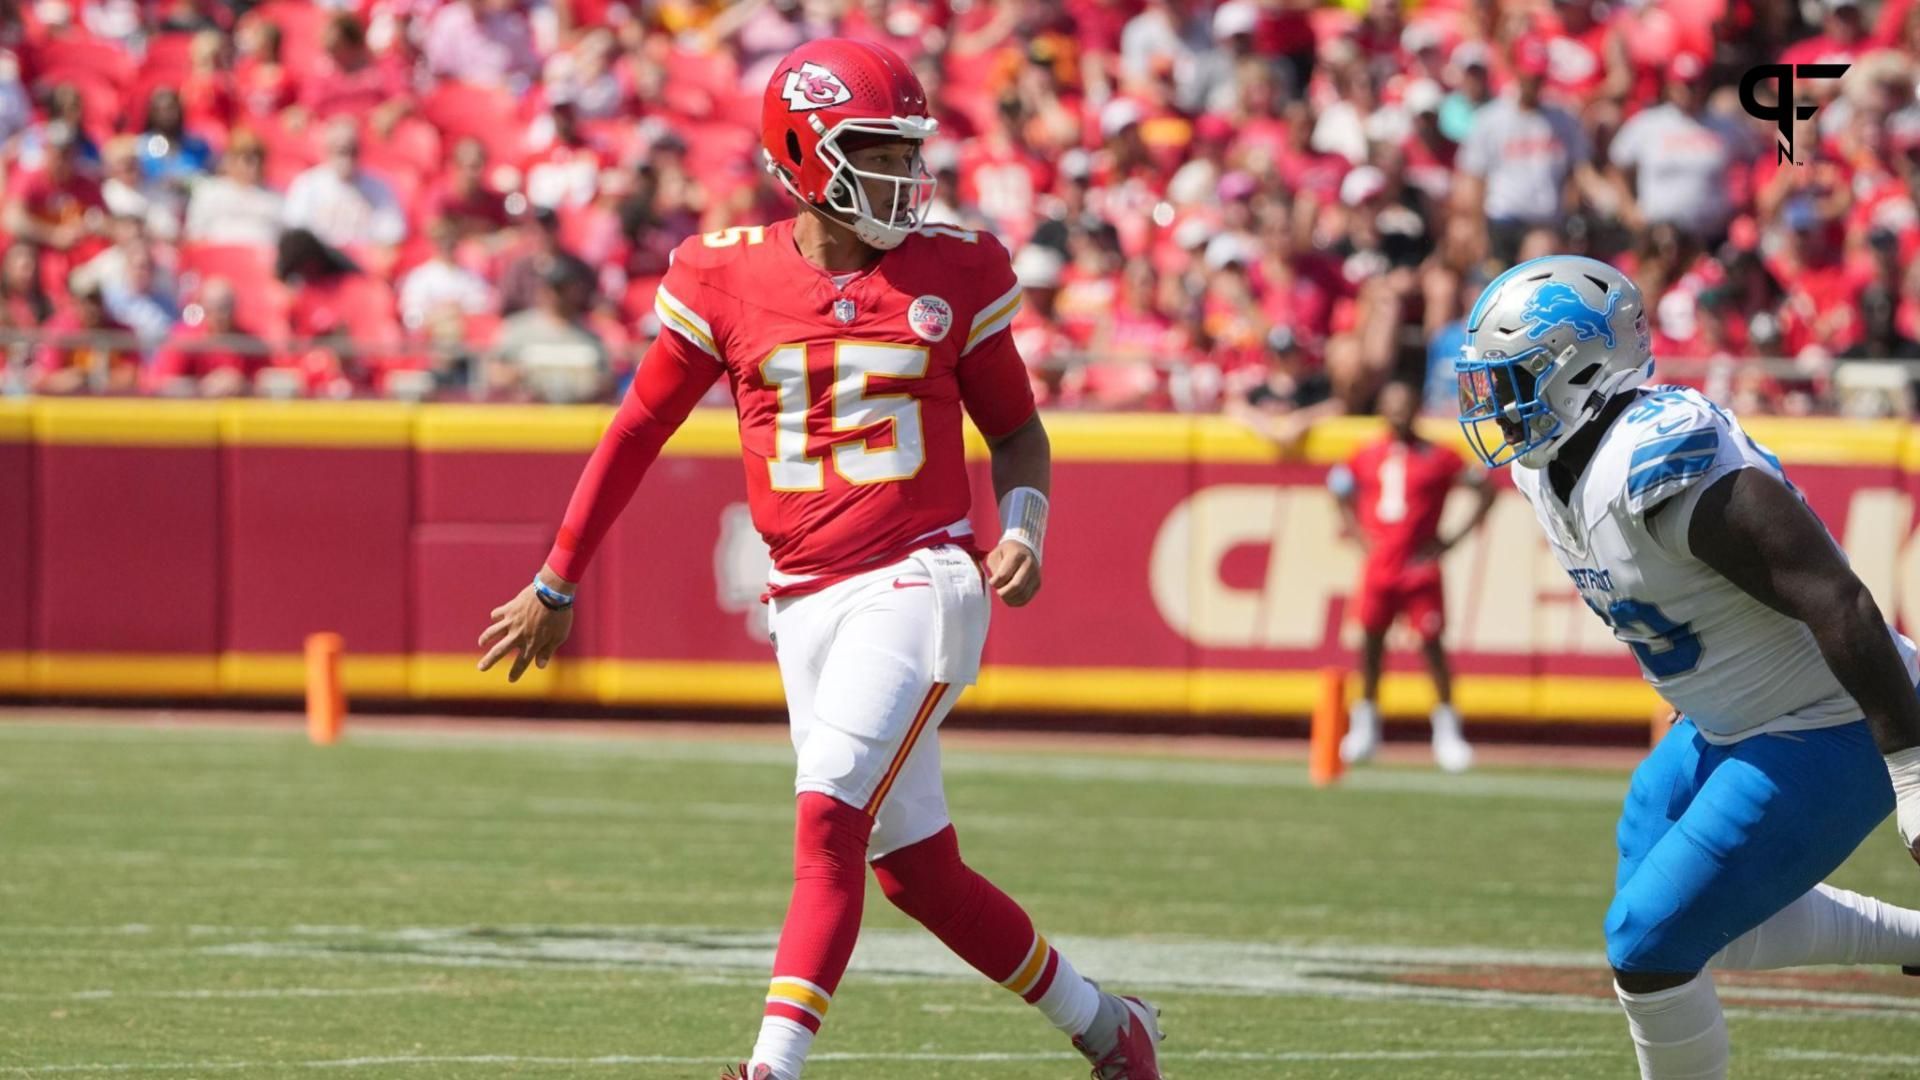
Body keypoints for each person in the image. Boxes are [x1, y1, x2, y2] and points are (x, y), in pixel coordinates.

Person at [475, 38, 1163, 1080]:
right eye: (875, 152)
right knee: (916, 872)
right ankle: (1111, 1027)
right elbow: (634, 432)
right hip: (802, 599)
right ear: (801, 153)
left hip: (923, 580)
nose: (902, 177)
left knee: (828, 816)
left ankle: (771, 1068)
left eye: (905, 153)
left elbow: (1019, 432)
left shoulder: (951, 270)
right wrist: (555, 578)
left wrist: (1023, 526)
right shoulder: (725, 276)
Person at [1458, 254, 1920, 1080]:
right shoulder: (1549, 468)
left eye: (1515, 377)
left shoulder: (1662, 459)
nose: (1495, 402)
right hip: (1732, 720)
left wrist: (1913, 770)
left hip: (1829, 719)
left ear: (1581, 369)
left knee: (1647, 940)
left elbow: (1840, 602)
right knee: (1690, 907)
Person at [1323, 379, 1493, 772]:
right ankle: (1366, 724)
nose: (1398, 411)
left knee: (1432, 647)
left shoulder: (1438, 455)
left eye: (1404, 403)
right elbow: (1338, 487)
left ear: (1417, 406)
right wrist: (1358, 535)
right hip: (1380, 566)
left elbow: (1484, 489)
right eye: (1391, 403)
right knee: (1370, 645)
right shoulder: (1366, 453)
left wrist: (1451, 540)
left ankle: (1447, 729)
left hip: (1418, 568)